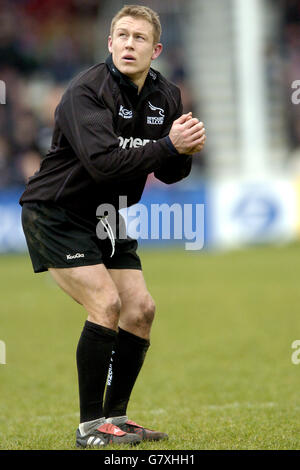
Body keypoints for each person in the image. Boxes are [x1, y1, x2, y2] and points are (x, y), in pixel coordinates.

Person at [20, 4, 206, 448]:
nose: (128, 43)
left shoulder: (167, 96)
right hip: (56, 211)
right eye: (121, 35)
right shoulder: (86, 91)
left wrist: (185, 149)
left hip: (109, 214)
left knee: (140, 310)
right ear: (109, 43)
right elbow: (103, 164)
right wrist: (167, 146)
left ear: (155, 49)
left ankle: (116, 418)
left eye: (139, 38)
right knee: (105, 303)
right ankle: (89, 428)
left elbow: (170, 172)